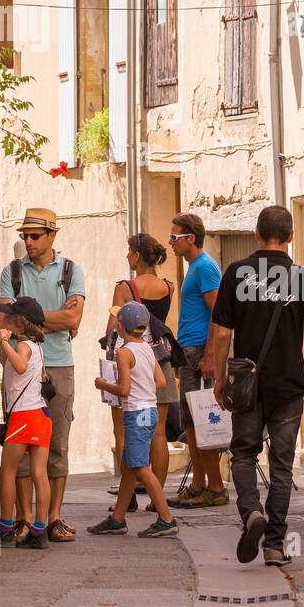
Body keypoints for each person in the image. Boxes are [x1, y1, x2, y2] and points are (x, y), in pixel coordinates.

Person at [211, 205, 304, 566]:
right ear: (291, 236)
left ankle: (251, 512)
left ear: (256, 234)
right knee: (282, 465)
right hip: (289, 386)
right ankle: (274, 543)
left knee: (244, 454)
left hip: (247, 385)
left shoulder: (236, 273)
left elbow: (221, 332)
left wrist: (221, 377)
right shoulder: (301, 278)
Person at [0, 207, 84, 543]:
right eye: (25, 236)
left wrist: (27, 318)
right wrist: (54, 318)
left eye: (35, 236)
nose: (28, 241)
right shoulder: (13, 271)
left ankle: (53, 519)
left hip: (59, 364)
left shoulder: (71, 271)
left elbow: (73, 320)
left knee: (57, 442)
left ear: (52, 236)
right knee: (18, 450)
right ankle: (24, 518)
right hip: (21, 366)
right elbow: (5, 322)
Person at [87, 302, 178, 538]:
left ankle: (166, 518)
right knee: (128, 466)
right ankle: (117, 518)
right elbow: (160, 382)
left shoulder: (124, 353)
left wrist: (104, 384)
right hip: (150, 412)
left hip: (135, 413)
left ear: (119, 326)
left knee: (140, 467)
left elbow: (124, 390)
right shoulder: (148, 348)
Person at [104, 234, 179, 511]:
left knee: (122, 431)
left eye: (128, 252)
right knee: (158, 433)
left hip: (129, 363)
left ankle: (129, 498)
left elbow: (112, 328)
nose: (126, 257)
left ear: (136, 256)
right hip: (161, 360)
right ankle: (155, 499)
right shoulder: (169, 286)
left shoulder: (125, 287)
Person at [167, 212, 228, 509]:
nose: (171, 243)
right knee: (190, 422)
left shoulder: (205, 266)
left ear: (191, 238)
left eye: (175, 237)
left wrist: (209, 355)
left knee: (203, 420)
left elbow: (218, 312)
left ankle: (215, 486)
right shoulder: (194, 267)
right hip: (189, 350)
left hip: (199, 352)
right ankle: (199, 484)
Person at [0, 296, 53, 550]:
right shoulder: (34, 345)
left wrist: (5, 342)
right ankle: (39, 530)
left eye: (7, 315)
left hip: (25, 416)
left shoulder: (24, 346)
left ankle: (5, 526)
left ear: (19, 321)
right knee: (39, 473)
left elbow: (19, 366)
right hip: (40, 414)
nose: (3, 318)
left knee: (7, 470)